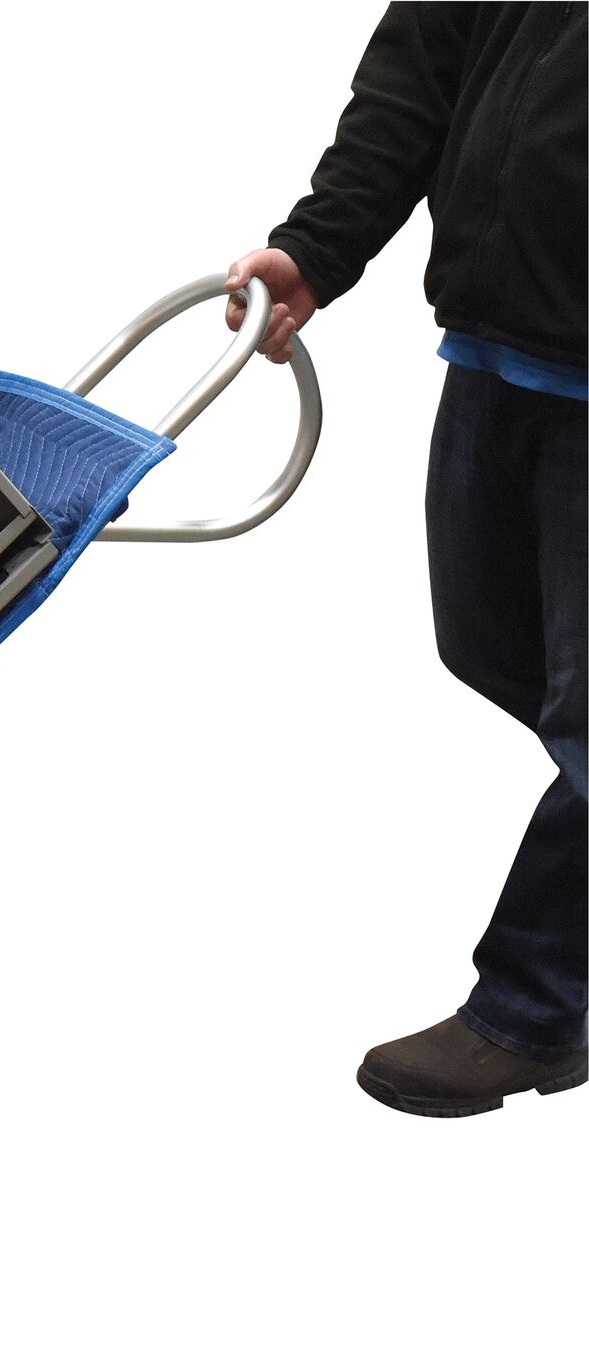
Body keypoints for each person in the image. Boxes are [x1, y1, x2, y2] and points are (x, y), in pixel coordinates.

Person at [225, 2, 587, 1117]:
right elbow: (421, 68)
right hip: (499, 347)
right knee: (484, 645)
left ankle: (531, 1010)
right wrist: (320, 248)